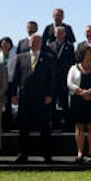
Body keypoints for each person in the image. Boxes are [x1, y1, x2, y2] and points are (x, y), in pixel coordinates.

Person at [11, 34, 55, 163]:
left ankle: (46, 154)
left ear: (41, 43)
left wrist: (50, 95)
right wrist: (13, 94)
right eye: (32, 41)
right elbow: (15, 78)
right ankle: (23, 154)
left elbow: (52, 78)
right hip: (25, 97)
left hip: (42, 98)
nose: (34, 43)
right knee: (24, 127)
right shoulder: (20, 57)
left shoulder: (48, 57)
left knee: (44, 127)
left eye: (36, 41)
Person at [67, 46, 91, 164]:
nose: (88, 56)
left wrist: (88, 92)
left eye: (90, 54)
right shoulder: (74, 68)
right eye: (86, 54)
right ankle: (80, 153)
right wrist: (82, 92)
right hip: (77, 101)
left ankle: (90, 153)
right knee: (79, 127)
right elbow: (70, 83)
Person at [47, 26, 76, 129]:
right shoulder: (50, 46)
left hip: (65, 77)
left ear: (65, 34)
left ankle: (66, 123)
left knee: (65, 100)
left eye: (61, 32)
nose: (59, 34)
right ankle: (54, 122)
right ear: (55, 34)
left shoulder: (70, 46)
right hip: (53, 78)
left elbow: (72, 62)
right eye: (57, 33)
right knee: (52, 101)